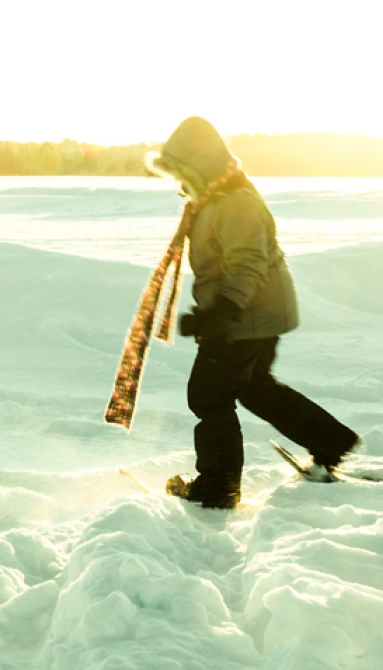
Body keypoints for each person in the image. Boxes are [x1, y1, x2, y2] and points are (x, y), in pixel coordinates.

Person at [145, 117, 360, 509]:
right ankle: (331, 440)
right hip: (256, 312)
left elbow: (248, 263)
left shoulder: (237, 202)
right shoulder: (215, 196)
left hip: (247, 315)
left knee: (209, 397)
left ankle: (218, 488)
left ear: (200, 165)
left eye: (182, 170)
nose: (178, 180)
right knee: (254, 387)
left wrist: (223, 312)